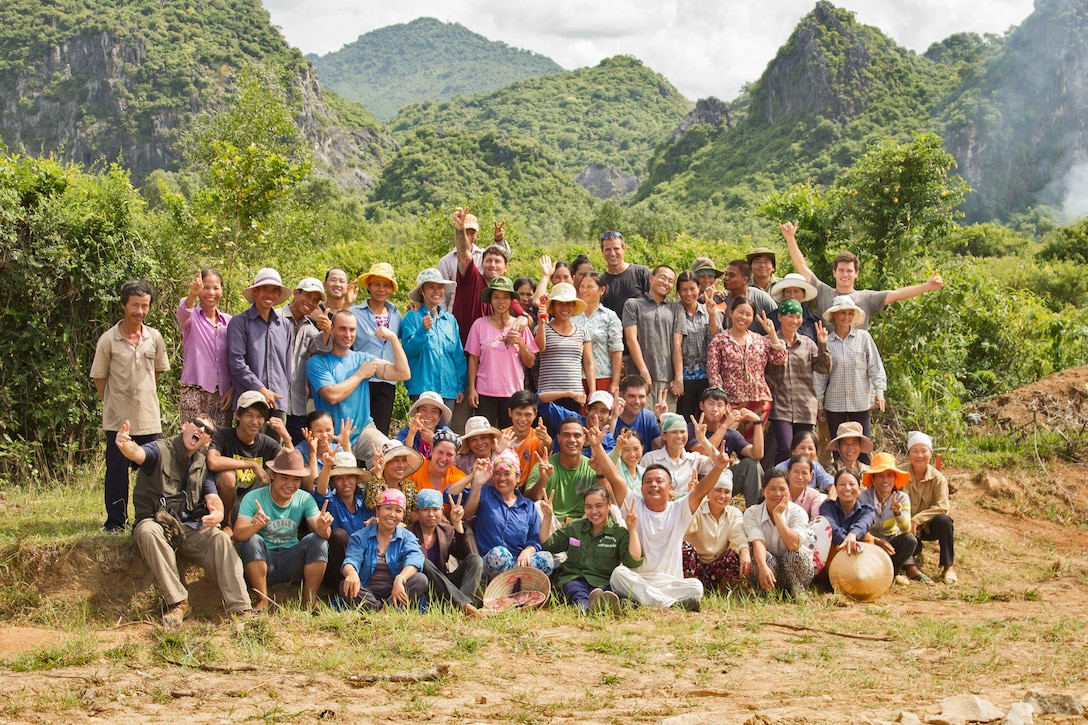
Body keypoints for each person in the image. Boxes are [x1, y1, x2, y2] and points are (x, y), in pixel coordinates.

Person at [120, 416, 251, 625]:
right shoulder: (160, 449)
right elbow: (139, 454)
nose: (201, 430)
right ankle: (178, 602)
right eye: (197, 424)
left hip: (188, 527)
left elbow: (212, 496)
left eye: (207, 430)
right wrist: (126, 445)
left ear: (207, 440)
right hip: (156, 523)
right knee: (146, 531)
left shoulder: (202, 462)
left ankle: (241, 609)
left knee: (220, 539)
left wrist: (217, 513)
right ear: (185, 426)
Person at [593, 424, 733, 611]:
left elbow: (700, 491)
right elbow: (612, 475)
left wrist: (718, 467)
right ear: (641, 489)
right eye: (648, 482)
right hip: (638, 578)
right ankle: (669, 604)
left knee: (696, 587)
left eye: (660, 481)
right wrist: (596, 446)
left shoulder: (679, 509)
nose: (654, 485)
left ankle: (638, 601)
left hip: (669, 582)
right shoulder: (632, 503)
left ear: (670, 489)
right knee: (619, 574)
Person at [91, 279, 170, 531]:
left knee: (153, 469)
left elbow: (156, 372)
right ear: (124, 305)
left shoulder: (154, 337)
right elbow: (99, 377)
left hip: (148, 416)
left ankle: (150, 517)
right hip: (117, 418)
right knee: (117, 471)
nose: (140, 311)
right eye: (135, 305)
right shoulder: (108, 340)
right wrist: (113, 403)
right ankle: (116, 521)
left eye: (145, 306)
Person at [780, 220, 945, 326]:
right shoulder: (823, 292)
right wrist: (790, 238)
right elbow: (802, 267)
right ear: (834, 273)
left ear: (856, 273)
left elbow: (898, 293)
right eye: (841, 270)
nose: (845, 274)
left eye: (849, 271)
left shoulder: (866, 298)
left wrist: (928, 285)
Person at [306, 310, 410, 470]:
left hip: (364, 431)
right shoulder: (317, 362)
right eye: (342, 329)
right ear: (332, 329)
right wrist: (360, 374)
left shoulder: (363, 359)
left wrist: (393, 338)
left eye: (352, 329)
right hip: (330, 437)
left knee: (391, 456)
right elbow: (332, 395)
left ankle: (382, 494)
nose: (348, 334)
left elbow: (402, 373)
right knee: (341, 481)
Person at [233, 448, 334, 611]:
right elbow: (237, 534)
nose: (290, 485)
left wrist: (323, 527)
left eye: (296, 479)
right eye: (284, 478)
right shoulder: (253, 498)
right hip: (266, 561)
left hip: (292, 561)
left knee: (318, 540)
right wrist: (254, 526)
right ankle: (262, 599)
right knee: (251, 540)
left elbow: (324, 534)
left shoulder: (305, 498)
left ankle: (310, 599)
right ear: (272, 475)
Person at [447, 450, 554, 576]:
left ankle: (517, 582)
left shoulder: (528, 506)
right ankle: (515, 583)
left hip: (519, 562)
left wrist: (527, 551)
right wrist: (473, 477)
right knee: (500, 555)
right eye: (497, 473)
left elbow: (534, 540)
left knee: (546, 559)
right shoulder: (485, 493)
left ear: (518, 477)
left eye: (507, 473)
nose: (502, 478)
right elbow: (450, 494)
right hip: (493, 561)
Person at [540, 486, 643, 613]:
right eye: (588, 507)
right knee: (576, 591)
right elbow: (548, 544)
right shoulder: (574, 527)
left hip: (603, 582)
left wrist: (632, 529)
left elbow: (633, 561)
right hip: (574, 577)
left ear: (609, 505)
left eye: (599, 505)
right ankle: (587, 608)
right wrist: (547, 517)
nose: (594, 511)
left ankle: (609, 604)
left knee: (605, 593)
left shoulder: (619, 533)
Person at [206, 390, 295, 530]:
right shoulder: (223, 436)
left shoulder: (268, 443)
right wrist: (251, 464)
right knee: (227, 476)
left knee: (276, 474)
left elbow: (293, 468)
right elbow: (212, 461)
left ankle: (265, 523)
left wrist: (286, 436)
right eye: (249, 415)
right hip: (226, 502)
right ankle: (226, 524)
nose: (255, 422)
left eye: (259, 417)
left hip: (254, 502)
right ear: (237, 415)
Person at [813, 295, 887, 463]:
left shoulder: (863, 338)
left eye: (849, 313)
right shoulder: (827, 341)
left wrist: (879, 391)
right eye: (842, 313)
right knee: (839, 447)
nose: (846, 317)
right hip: (835, 403)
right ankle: (842, 482)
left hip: (860, 401)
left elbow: (875, 366)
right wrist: (819, 404)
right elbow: (821, 375)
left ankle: (864, 482)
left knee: (862, 446)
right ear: (834, 316)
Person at [706, 297, 787, 440]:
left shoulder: (760, 340)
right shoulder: (719, 341)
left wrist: (772, 332)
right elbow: (713, 373)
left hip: (759, 401)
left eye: (748, 314)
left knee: (753, 445)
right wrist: (721, 402)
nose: (744, 317)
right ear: (731, 313)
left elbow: (780, 359)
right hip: (730, 402)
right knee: (729, 442)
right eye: (740, 312)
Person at [465, 276, 538, 428]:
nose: (501, 302)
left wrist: (520, 343)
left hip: (513, 393)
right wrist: (472, 389)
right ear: (490, 299)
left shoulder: (520, 326)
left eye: (505, 297)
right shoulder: (479, 325)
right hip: (485, 392)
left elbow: (530, 361)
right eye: (496, 297)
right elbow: (473, 359)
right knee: (484, 437)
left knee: (510, 438)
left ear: (512, 300)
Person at [340, 488, 429, 611]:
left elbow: (415, 560)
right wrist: (351, 573)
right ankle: (384, 611)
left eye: (398, 511)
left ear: (403, 515)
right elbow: (351, 559)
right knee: (345, 584)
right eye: (387, 508)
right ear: (377, 510)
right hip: (368, 592)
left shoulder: (407, 537)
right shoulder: (360, 536)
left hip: (395, 591)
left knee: (420, 579)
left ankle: (381, 611)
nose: (392, 514)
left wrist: (400, 579)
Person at [766, 299, 830, 465]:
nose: (794, 321)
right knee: (786, 448)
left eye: (798, 316)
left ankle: (801, 486)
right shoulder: (768, 341)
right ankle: (781, 483)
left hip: (805, 406)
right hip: (780, 405)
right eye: (790, 316)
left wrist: (822, 344)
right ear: (779, 317)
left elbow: (823, 368)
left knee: (803, 451)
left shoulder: (808, 343)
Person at [226, 268, 293, 414]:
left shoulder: (284, 324)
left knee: (276, 438)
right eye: (265, 289)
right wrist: (260, 389)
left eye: (274, 290)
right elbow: (236, 362)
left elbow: (287, 366)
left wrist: (280, 393)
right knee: (249, 437)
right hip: (250, 401)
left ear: (279, 294)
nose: (270, 294)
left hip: (277, 403)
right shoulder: (240, 322)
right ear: (256, 291)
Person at [409, 489, 484, 618]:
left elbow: (463, 555)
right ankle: (465, 606)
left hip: (446, 588)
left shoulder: (446, 531)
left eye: (435, 509)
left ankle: (461, 608)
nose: (431, 514)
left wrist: (457, 524)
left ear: (442, 511)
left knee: (475, 560)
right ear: (417, 512)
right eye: (425, 509)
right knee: (421, 561)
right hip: (424, 587)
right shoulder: (408, 534)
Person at [688, 387, 765, 507]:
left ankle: (755, 512)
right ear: (702, 406)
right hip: (700, 482)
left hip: (725, 482)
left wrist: (757, 422)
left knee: (752, 464)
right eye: (711, 404)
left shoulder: (731, 433)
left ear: (726, 409)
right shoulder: (693, 427)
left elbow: (757, 454)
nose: (715, 409)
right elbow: (703, 452)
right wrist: (724, 426)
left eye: (719, 405)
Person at [401, 268, 466, 410]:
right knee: (423, 430)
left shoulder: (450, 320)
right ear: (421, 291)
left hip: (448, 389)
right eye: (431, 287)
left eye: (440, 287)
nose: (436, 291)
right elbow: (409, 350)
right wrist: (422, 331)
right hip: (422, 388)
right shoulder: (412, 317)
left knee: (444, 431)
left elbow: (458, 356)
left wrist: (460, 386)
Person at [349, 262, 402, 436]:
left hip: (387, 381)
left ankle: (376, 465)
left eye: (386, 285)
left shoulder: (396, 315)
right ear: (369, 286)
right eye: (377, 284)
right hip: (362, 379)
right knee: (358, 430)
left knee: (380, 432)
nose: (381, 289)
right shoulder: (355, 312)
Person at [743, 470, 815, 597]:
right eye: (772, 489)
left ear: (789, 491)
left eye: (782, 489)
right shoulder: (752, 513)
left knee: (792, 555)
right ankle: (767, 591)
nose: (777, 494)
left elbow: (793, 545)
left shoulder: (798, 512)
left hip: (795, 569)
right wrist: (763, 566)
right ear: (763, 490)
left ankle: (797, 592)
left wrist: (777, 515)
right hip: (770, 568)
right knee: (762, 558)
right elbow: (757, 541)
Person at [177, 269, 233, 429]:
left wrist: (233, 388)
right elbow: (183, 312)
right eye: (206, 287)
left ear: (222, 289)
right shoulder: (191, 317)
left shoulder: (229, 322)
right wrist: (192, 294)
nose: (211, 292)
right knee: (193, 443)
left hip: (223, 395)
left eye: (216, 288)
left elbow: (237, 357)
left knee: (219, 444)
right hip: (195, 392)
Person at [623, 265, 683, 413]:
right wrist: (643, 371)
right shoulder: (633, 304)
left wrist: (678, 378)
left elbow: (677, 344)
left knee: (666, 427)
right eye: (662, 277)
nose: (666, 282)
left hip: (667, 380)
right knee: (639, 424)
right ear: (651, 278)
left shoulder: (676, 309)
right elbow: (631, 339)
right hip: (639, 379)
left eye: (670, 281)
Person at [311, 450, 374, 590]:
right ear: (333, 481)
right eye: (339, 478)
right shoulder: (331, 502)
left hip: (364, 559)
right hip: (337, 565)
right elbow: (321, 492)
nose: (346, 483)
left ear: (356, 479)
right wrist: (327, 467)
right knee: (339, 535)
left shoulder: (366, 502)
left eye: (350, 477)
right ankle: (343, 588)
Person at [682, 469, 751, 592]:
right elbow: (687, 529)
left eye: (727, 492)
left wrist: (744, 552)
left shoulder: (734, 513)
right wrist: (692, 501)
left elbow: (738, 535)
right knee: (684, 548)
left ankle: (723, 591)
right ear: (709, 492)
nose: (722, 496)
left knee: (737, 552)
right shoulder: (698, 506)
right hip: (695, 566)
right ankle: (690, 590)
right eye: (718, 490)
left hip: (716, 568)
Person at [903, 432, 957, 584]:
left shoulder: (938, 478)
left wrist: (917, 519)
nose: (920, 455)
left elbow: (942, 506)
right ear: (909, 454)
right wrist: (908, 522)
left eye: (924, 451)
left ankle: (948, 568)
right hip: (906, 528)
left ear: (931, 454)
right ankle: (909, 567)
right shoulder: (900, 473)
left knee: (944, 521)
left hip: (927, 527)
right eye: (915, 451)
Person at [282, 277, 330, 443]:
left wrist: (326, 331)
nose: (311, 302)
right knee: (269, 449)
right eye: (308, 296)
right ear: (296, 293)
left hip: (297, 403)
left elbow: (322, 350)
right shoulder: (275, 319)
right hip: (273, 400)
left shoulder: (309, 327)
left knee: (295, 451)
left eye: (315, 300)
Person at [524, 417, 598, 525]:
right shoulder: (545, 465)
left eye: (577, 435)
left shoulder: (592, 466)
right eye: (566, 435)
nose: (572, 440)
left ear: (584, 439)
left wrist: (601, 473)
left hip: (584, 523)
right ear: (558, 438)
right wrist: (543, 479)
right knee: (537, 506)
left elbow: (607, 499)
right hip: (552, 523)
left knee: (612, 509)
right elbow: (528, 501)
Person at [859, 453, 917, 583]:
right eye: (880, 475)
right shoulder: (863, 497)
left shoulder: (902, 498)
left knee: (910, 540)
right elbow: (858, 528)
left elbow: (906, 529)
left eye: (889, 475)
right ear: (873, 479)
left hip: (891, 544)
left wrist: (898, 513)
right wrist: (877, 540)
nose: (885, 480)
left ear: (895, 478)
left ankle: (892, 572)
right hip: (870, 543)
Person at [536, 281, 595, 411]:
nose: (565, 308)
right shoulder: (543, 328)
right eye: (560, 304)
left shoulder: (582, 331)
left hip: (575, 394)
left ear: (574, 306)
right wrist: (541, 323)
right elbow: (540, 348)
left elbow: (589, 363)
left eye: (569, 304)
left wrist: (592, 390)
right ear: (553, 306)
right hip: (548, 393)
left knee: (572, 429)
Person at [438, 209, 511, 312]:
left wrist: (499, 241)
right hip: (456, 312)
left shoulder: (483, 255)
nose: (468, 237)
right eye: (465, 233)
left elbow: (502, 259)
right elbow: (442, 294)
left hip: (484, 310)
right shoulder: (446, 261)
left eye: (472, 233)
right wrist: (444, 319)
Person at [675, 270, 722, 421]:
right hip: (684, 376)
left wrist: (712, 314)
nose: (689, 293)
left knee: (706, 417)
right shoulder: (674, 312)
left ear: (699, 289)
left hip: (706, 375)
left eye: (692, 289)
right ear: (678, 292)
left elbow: (716, 337)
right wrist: (678, 378)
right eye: (684, 289)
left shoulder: (708, 310)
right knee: (685, 418)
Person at [573, 272, 623, 397]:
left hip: (603, 376)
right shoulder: (572, 314)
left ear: (602, 290)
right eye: (582, 286)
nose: (584, 290)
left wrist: (615, 382)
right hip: (574, 378)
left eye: (589, 287)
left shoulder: (609, 316)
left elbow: (616, 350)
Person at [639, 413, 713, 498]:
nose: (679, 436)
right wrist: (660, 493)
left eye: (682, 432)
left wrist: (702, 439)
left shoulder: (694, 459)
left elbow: (722, 464)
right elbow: (640, 488)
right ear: (663, 435)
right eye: (674, 432)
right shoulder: (650, 459)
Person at [818, 468, 877, 573]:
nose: (847, 488)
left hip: (857, 562)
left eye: (852, 484)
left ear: (859, 489)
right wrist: (848, 541)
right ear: (835, 488)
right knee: (830, 541)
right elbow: (832, 527)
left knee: (867, 538)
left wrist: (853, 534)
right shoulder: (827, 507)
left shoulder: (867, 510)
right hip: (832, 563)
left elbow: (863, 524)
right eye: (842, 484)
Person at [364, 440, 424, 521]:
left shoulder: (409, 486)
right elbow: (371, 505)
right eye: (395, 460)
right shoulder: (374, 483)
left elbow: (416, 514)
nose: (401, 465)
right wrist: (378, 471)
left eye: (404, 460)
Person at [599, 230, 650, 317]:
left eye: (616, 249)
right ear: (602, 251)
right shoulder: (600, 281)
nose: (612, 253)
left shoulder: (641, 273)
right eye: (608, 249)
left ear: (624, 249)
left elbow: (654, 304)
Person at [504, 390, 550, 486]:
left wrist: (546, 439)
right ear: (510, 412)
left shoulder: (538, 438)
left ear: (535, 414)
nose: (523, 419)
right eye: (518, 414)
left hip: (529, 490)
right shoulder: (501, 437)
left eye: (528, 414)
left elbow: (547, 447)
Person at [719, 260, 777, 334]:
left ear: (744, 279)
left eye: (731, 275)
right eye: (726, 274)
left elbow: (778, 322)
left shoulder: (761, 297)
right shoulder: (722, 299)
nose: (726, 278)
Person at [773, 431, 836, 495]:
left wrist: (831, 498)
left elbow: (827, 480)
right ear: (793, 451)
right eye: (802, 448)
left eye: (810, 448)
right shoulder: (781, 468)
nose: (806, 452)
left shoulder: (815, 466)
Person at [395, 392, 454, 459]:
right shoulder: (406, 432)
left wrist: (433, 441)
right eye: (424, 410)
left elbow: (448, 459)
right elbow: (402, 458)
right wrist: (411, 434)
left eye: (434, 411)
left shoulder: (446, 434)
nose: (428, 415)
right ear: (417, 412)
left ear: (439, 416)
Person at [408, 430, 467, 496]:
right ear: (432, 450)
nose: (443, 459)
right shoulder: (414, 470)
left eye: (449, 454)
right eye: (440, 452)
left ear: (456, 456)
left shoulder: (460, 480)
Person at [612, 374, 663, 450]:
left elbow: (664, 446)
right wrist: (614, 418)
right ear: (621, 395)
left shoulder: (649, 417)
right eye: (631, 396)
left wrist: (663, 420)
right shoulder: (610, 416)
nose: (637, 401)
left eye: (641, 396)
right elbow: (604, 447)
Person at [767, 273, 822, 342]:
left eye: (796, 291)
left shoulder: (813, 320)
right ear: (783, 294)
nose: (792, 295)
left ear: (803, 294)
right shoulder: (771, 318)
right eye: (788, 291)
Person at [785, 455, 826, 520]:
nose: (800, 477)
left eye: (804, 473)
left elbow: (815, 520)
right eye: (796, 472)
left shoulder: (813, 495)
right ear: (788, 473)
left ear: (811, 476)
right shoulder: (780, 492)